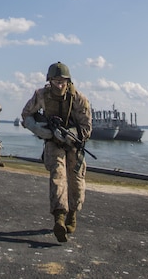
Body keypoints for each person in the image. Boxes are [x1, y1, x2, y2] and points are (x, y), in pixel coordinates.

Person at [20, 62, 92, 242]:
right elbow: (26, 114)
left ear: (68, 81)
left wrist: (72, 134)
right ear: (50, 80)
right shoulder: (41, 95)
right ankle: (59, 218)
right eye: (56, 81)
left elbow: (87, 127)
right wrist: (36, 128)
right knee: (58, 177)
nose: (59, 85)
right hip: (53, 142)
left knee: (76, 182)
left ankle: (72, 215)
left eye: (62, 81)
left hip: (74, 145)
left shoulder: (79, 99)